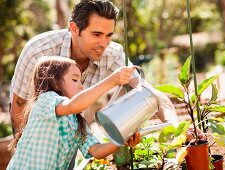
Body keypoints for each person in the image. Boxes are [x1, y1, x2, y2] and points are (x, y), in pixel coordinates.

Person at [10, 0, 178, 135]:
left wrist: (178, 128)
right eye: (97, 34)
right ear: (74, 29)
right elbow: (19, 106)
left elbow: (150, 94)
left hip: (70, 137)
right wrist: (25, 149)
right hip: (34, 136)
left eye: (109, 35)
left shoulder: (112, 54)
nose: (103, 43)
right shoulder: (39, 51)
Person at [7, 57, 141, 169]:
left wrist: (121, 140)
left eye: (81, 81)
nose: (81, 86)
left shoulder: (75, 120)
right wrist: (112, 81)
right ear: (55, 82)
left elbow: (97, 150)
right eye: (75, 80)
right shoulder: (45, 100)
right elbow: (75, 105)